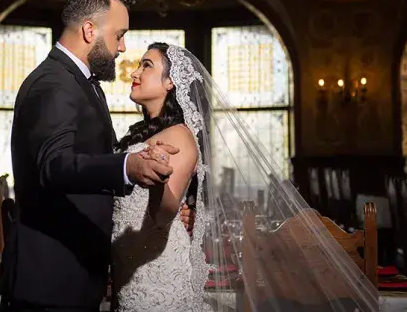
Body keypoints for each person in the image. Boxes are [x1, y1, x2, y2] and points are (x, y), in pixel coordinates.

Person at [110, 42, 380, 312]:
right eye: (138, 65)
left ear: (170, 82)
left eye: (147, 66)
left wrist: (159, 180)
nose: (134, 73)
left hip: (154, 272)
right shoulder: (143, 133)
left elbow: (163, 213)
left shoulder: (179, 137)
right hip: (129, 262)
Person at [1, 0, 186, 312]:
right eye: (119, 35)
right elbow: (54, 165)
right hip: (53, 276)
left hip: (75, 271)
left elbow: (90, 163)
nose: (123, 47)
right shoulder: (54, 83)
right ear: (89, 30)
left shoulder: (81, 82)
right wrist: (125, 166)